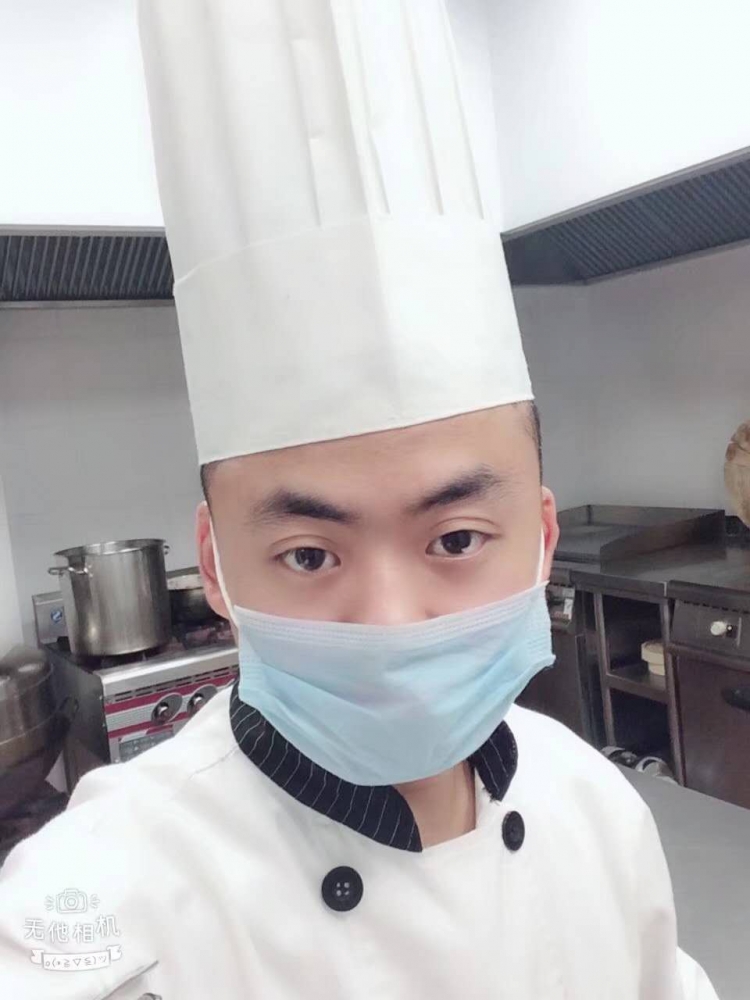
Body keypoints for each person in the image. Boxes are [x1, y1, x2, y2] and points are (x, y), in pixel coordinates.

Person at [0, 1, 719, 997]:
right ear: (215, 566)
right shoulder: (107, 900)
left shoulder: (595, 807)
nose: (390, 624)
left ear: (543, 537)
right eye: (309, 553)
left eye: (456, 537)